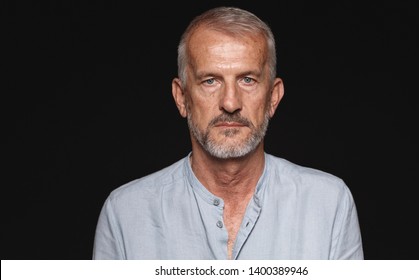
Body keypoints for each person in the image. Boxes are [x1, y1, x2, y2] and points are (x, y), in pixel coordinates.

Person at [92, 6, 363, 260]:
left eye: (248, 80)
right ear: (182, 98)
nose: (230, 103)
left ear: (273, 97)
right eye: (210, 81)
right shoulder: (125, 213)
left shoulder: (329, 204)